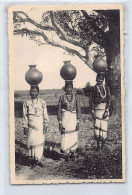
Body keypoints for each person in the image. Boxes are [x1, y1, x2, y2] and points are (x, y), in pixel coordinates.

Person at [23, 85, 49, 168]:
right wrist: (25, 126)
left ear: (38, 92)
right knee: (32, 142)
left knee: (39, 143)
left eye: (35, 91)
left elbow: (45, 115)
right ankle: (33, 161)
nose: (33, 93)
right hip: (31, 126)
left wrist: (45, 125)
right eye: (32, 91)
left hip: (40, 125)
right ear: (30, 92)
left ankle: (38, 160)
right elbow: (24, 116)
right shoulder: (26, 103)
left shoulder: (42, 102)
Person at [57, 81, 81, 160]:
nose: (69, 89)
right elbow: (59, 110)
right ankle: (66, 153)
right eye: (67, 88)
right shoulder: (61, 98)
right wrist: (60, 123)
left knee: (73, 134)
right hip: (65, 119)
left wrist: (78, 122)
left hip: (73, 120)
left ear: (72, 88)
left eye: (70, 87)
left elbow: (78, 110)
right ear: (65, 88)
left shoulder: (76, 98)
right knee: (66, 135)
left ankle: (73, 152)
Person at [91, 72, 110, 151]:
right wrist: (92, 110)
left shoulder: (106, 88)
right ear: (96, 79)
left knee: (104, 128)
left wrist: (107, 110)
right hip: (97, 110)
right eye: (99, 79)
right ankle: (98, 146)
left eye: (102, 79)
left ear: (103, 80)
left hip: (104, 110)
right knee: (97, 128)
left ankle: (102, 146)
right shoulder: (94, 88)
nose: (100, 80)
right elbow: (91, 100)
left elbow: (109, 100)